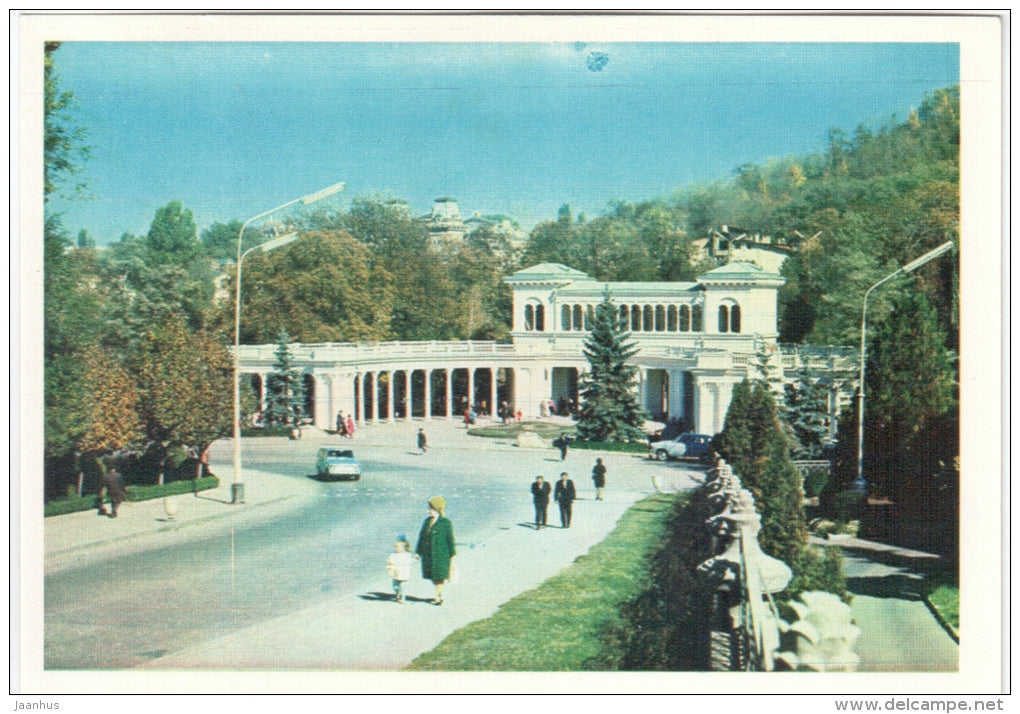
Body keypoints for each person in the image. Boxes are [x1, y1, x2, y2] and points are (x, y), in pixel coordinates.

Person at [415, 496, 456, 606]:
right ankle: (440, 594)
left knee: (439, 576)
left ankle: (437, 597)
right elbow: (422, 537)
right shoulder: (427, 522)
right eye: (429, 508)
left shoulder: (446, 523)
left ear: (438, 509)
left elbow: (450, 540)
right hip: (428, 555)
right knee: (433, 577)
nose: (429, 511)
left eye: (432, 509)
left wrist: (453, 556)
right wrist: (418, 552)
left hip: (441, 555)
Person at [386, 535, 414, 604]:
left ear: (403, 547)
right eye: (395, 546)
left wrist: (416, 559)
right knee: (395, 586)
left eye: (398, 547)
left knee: (404, 586)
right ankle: (397, 594)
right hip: (396, 573)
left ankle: (403, 598)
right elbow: (390, 560)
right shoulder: (393, 554)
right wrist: (390, 562)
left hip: (404, 573)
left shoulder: (407, 555)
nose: (396, 548)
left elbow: (411, 561)